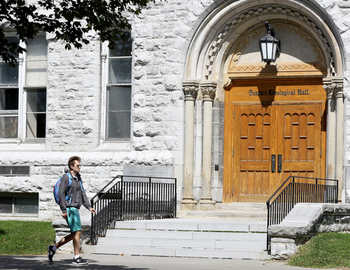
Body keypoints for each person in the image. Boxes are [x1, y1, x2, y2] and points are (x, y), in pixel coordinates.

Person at [48, 156, 96, 265]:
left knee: (75, 233)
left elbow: (82, 193)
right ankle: (76, 257)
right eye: (78, 165)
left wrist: (89, 206)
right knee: (77, 231)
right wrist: (64, 210)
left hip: (75, 209)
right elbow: (61, 194)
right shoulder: (66, 177)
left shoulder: (78, 178)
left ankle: (53, 249)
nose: (80, 167)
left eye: (80, 165)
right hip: (69, 209)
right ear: (71, 166)